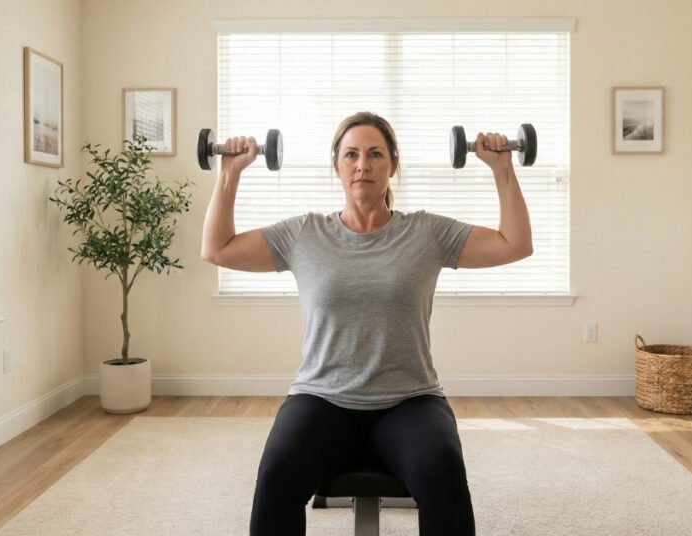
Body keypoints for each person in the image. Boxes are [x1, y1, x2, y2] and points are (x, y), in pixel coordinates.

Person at [201, 112, 532, 535]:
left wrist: (503, 168)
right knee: (277, 472)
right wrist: (229, 173)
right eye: (352, 154)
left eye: (376, 154)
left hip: (410, 399)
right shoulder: (304, 235)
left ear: (393, 165)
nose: (363, 165)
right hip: (321, 397)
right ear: (336, 165)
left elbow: (515, 244)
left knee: (442, 470)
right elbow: (217, 249)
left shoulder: (426, 233)